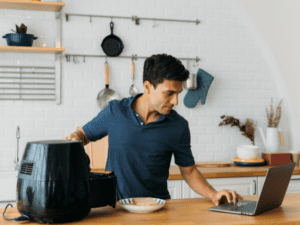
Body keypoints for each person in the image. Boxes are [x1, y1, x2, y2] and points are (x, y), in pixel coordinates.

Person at [63, 53, 244, 206]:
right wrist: (74, 137)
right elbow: (84, 134)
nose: (176, 102)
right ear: (148, 87)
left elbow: (189, 171)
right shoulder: (114, 111)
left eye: (178, 94)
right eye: (169, 93)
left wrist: (214, 194)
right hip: (116, 208)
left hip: (156, 209)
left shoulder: (178, 126)